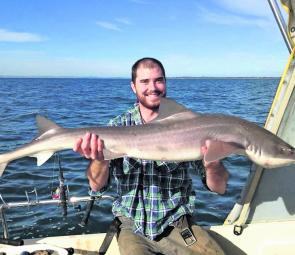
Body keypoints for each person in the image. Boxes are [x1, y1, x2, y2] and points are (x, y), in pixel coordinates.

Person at [73, 57, 229, 255]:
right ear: (133, 86)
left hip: (177, 223)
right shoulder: (117, 126)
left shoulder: (193, 126)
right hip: (132, 226)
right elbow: (96, 186)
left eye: (158, 80)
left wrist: (213, 163)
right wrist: (99, 159)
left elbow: (220, 188)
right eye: (144, 82)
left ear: (165, 83)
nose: (153, 87)